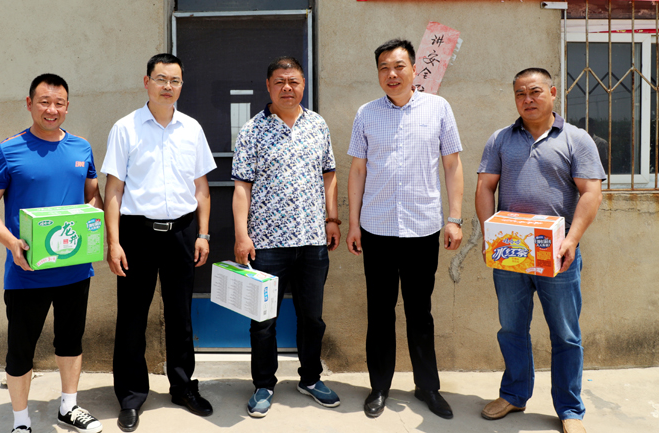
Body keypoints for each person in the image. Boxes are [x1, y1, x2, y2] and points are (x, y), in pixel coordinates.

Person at [475, 68, 605, 433]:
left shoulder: (576, 139)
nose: (527, 99)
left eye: (534, 91)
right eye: (520, 93)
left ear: (552, 93)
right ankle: (514, 394)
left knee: (565, 334)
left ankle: (570, 409)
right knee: (511, 328)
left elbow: (591, 193)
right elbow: (485, 187)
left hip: (559, 256)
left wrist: (571, 240)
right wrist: (488, 234)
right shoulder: (501, 139)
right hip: (510, 253)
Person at [0, 74, 104, 433]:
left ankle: (69, 407)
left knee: (70, 342)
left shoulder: (81, 148)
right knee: (20, 351)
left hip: (75, 269)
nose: (52, 109)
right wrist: (11, 242)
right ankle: (21, 422)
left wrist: (89, 224)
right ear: (30, 103)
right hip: (27, 271)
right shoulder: (8, 151)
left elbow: (93, 196)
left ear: (67, 106)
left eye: (59, 103)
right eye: (44, 102)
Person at [346, 38, 464, 419]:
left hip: (422, 228)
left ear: (414, 69)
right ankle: (379, 386)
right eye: (384, 67)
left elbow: (452, 165)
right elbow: (358, 170)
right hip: (377, 229)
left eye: (399, 66)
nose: (391, 74)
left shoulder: (438, 108)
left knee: (420, 311)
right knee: (380, 312)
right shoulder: (366, 114)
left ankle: (427, 386)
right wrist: (353, 224)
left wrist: (454, 218)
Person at [102, 53, 216, 432]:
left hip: (182, 233)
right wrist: (113, 242)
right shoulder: (126, 128)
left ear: (182, 85)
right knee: (132, 317)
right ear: (146, 82)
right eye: (161, 79)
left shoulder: (191, 129)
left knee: (181, 316)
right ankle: (131, 395)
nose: (168, 86)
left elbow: (201, 188)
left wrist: (203, 234)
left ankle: (183, 387)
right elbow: (113, 190)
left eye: (175, 80)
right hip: (137, 234)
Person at [231, 56, 341, 418]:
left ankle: (311, 378)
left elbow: (329, 174)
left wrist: (332, 219)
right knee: (263, 321)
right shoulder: (253, 130)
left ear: (303, 84)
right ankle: (264, 384)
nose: (287, 88)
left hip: (312, 241)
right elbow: (242, 187)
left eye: (293, 81)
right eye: (279, 82)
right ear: (268, 86)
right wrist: (242, 235)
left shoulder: (317, 125)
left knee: (313, 318)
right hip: (266, 244)